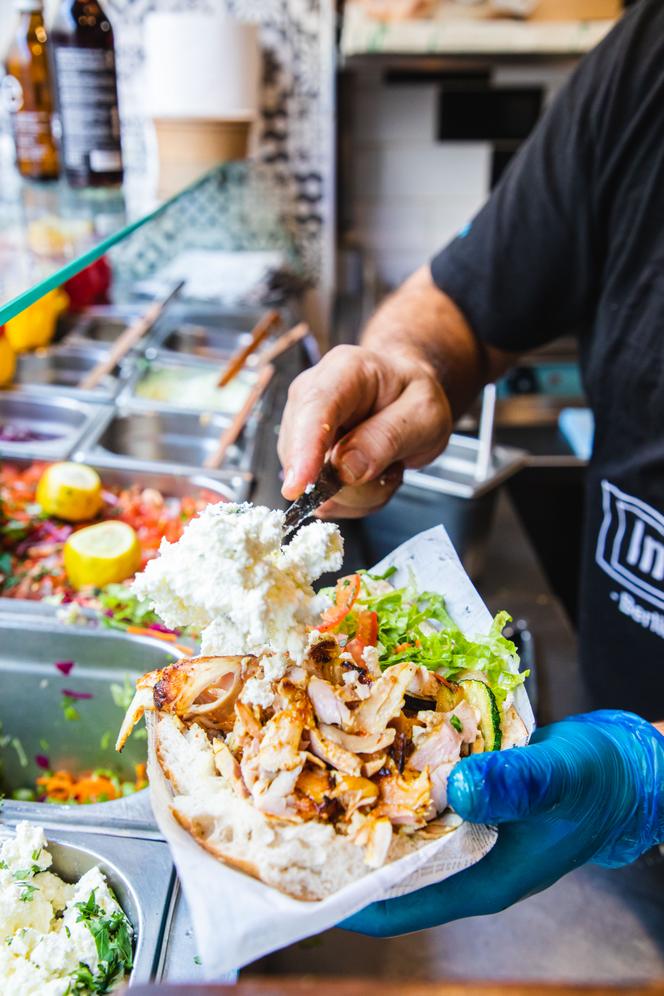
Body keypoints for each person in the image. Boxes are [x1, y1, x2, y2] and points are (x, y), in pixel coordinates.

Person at [277, 0, 664, 933]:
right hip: (605, 813)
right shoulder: (649, 58)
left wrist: (648, 778)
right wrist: (409, 363)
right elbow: (460, 303)